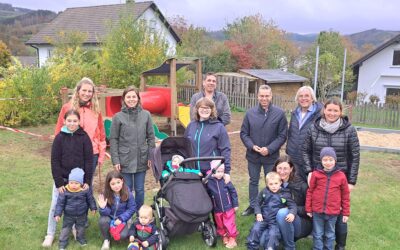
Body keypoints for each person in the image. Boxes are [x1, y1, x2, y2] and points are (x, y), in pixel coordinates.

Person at [302, 98, 360, 250]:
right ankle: (317, 239)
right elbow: (305, 151)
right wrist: (309, 171)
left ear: (341, 112)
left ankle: (340, 245)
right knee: (319, 209)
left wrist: (351, 181)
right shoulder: (313, 128)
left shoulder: (349, 130)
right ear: (324, 110)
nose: (332, 113)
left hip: (340, 179)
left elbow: (355, 156)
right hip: (319, 177)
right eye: (329, 110)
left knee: (340, 214)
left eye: (336, 110)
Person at [42, 109, 93, 247]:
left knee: (77, 207)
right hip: (62, 180)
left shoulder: (84, 137)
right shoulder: (59, 137)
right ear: (64, 121)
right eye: (69, 120)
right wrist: (59, 183)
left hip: (79, 182)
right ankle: (50, 234)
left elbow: (89, 160)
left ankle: (75, 229)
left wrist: (87, 181)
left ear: (79, 122)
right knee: (55, 206)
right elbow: (55, 161)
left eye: (75, 121)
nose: (72, 123)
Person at [240, 85, 288, 216]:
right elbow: (244, 133)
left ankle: (272, 206)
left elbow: (282, 135)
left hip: (271, 157)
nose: (264, 98)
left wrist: (270, 149)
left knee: (273, 182)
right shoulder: (250, 113)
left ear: (271, 96)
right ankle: (253, 206)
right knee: (253, 181)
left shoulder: (279, 114)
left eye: (267, 96)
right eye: (262, 96)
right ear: (257, 96)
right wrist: (252, 146)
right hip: (253, 156)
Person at [109, 86, 155, 210]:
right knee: (126, 188)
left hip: (142, 158)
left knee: (140, 189)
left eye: (134, 96)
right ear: (124, 99)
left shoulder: (146, 115)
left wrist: (151, 156)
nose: (131, 99)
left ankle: (140, 214)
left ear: (138, 98)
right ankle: (127, 214)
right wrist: (116, 160)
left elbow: (151, 137)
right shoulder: (118, 117)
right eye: (128, 97)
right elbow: (113, 139)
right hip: (125, 159)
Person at [54, 77, 106, 183]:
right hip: (71, 152)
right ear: (78, 91)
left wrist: (101, 155)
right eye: (84, 90)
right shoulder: (67, 108)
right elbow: (58, 131)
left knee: (87, 186)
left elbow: (101, 134)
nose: (86, 94)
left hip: (92, 153)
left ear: (93, 93)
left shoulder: (96, 110)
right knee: (72, 185)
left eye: (89, 91)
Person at [263, 155, 312, 250]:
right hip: (276, 221)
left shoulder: (301, 185)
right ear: (275, 168)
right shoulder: (272, 183)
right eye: (279, 168)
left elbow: (310, 209)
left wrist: (291, 210)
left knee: (282, 213)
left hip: (301, 222)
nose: (282, 172)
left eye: (285, 168)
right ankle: (280, 239)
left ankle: (289, 247)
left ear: (291, 169)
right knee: (263, 241)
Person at [306, 147, 350, 250]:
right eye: (325, 160)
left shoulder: (341, 176)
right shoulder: (316, 174)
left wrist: (346, 212)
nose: (328, 162)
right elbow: (310, 191)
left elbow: (345, 195)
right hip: (317, 211)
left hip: (333, 212)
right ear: (321, 161)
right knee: (317, 233)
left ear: (335, 160)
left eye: (331, 160)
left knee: (330, 234)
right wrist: (308, 208)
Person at [184, 97, 231, 182]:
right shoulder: (191, 126)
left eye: (207, 108)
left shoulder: (219, 127)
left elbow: (225, 149)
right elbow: (184, 147)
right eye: (202, 108)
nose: (204, 110)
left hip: (211, 172)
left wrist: (226, 171)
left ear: (212, 110)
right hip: (193, 171)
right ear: (197, 109)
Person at [246, 172, 297, 250]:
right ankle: (252, 246)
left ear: (280, 182)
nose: (274, 186)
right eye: (271, 184)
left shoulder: (285, 194)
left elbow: (292, 205)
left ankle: (270, 248)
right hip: (263, 218)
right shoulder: (264, 192)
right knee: (255, 229)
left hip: (275, 221)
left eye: (276, 183)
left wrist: (292, 213)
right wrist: (258, 213)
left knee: (273, 235)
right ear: (267, 184)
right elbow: (257, 203)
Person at [54, 168, 97, 249]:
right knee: (66, 228)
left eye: (76, 183)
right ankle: (63, 242)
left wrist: (93, 208)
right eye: (71, 183)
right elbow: (60, 203)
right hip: (68, 215)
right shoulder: (65, 191)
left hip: (81, 214)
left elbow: (90, 199)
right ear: (68, 182)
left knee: (81, 227)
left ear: (81, 183)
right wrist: (58, 214)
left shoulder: (85, 190)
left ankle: (80, 238)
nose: (73, 185)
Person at [286, 86, 322, 182]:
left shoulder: (319, 115)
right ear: (297, 99)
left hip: (309, 158)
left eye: (307, 96)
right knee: (294, 183)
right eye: (300, 96)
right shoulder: (295, 113)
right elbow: (291, 133)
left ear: (312, 98)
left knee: (308, 185)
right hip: (293, 156)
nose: (303, 98)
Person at [98, 170, 136, 250]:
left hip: (121, 219)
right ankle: (106, 239)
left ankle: (124, 226)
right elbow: (104, 213)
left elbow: (132, 208)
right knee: (103, 220)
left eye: (118, 182)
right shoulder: (106, 194)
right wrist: (103, 208)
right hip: (110, 217)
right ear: (109, 185)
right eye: (113, 184)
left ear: (122, 181)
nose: (116, 186)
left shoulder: (128, 193)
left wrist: (122, 218)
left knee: (122, 236)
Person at [206, 160, 239, 248]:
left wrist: (235, 204)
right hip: (217, 208)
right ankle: (224, 235)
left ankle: (232, 238)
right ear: (213, 171)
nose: (220, 174)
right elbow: (208, 193)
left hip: (228, 207)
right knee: (220, 224)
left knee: (229, 223)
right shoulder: (209, 182)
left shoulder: (225, 180)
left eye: (222, 171)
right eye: (218, 171)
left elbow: (233, 192)